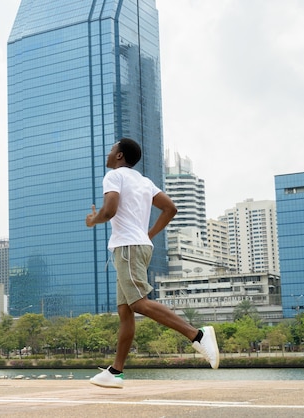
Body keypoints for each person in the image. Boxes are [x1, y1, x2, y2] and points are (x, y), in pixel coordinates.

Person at [85, 137, 219, 389]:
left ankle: (198, 335)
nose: (109, 152)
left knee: (138, 303)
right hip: (137, 246)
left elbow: (110, 210)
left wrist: (93, 220)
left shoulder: (114, 176)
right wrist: (149, 234)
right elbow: (170, 208)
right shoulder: (144, 182)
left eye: (112, 148)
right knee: (125, 311)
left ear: (120, 156)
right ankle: (115, 371)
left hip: (127, 247)